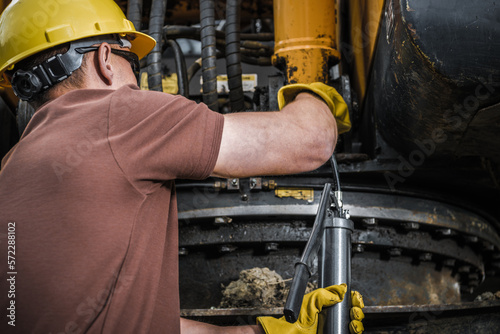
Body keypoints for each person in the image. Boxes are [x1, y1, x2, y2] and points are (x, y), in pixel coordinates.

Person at [0, 0, 364, 333]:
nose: (139, 83)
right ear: (106, 59)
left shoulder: (10, 168)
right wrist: (314, 93)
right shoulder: (122, 116)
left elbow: (135, 321)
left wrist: (260, 332)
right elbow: (309, 141)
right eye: (135, 64)